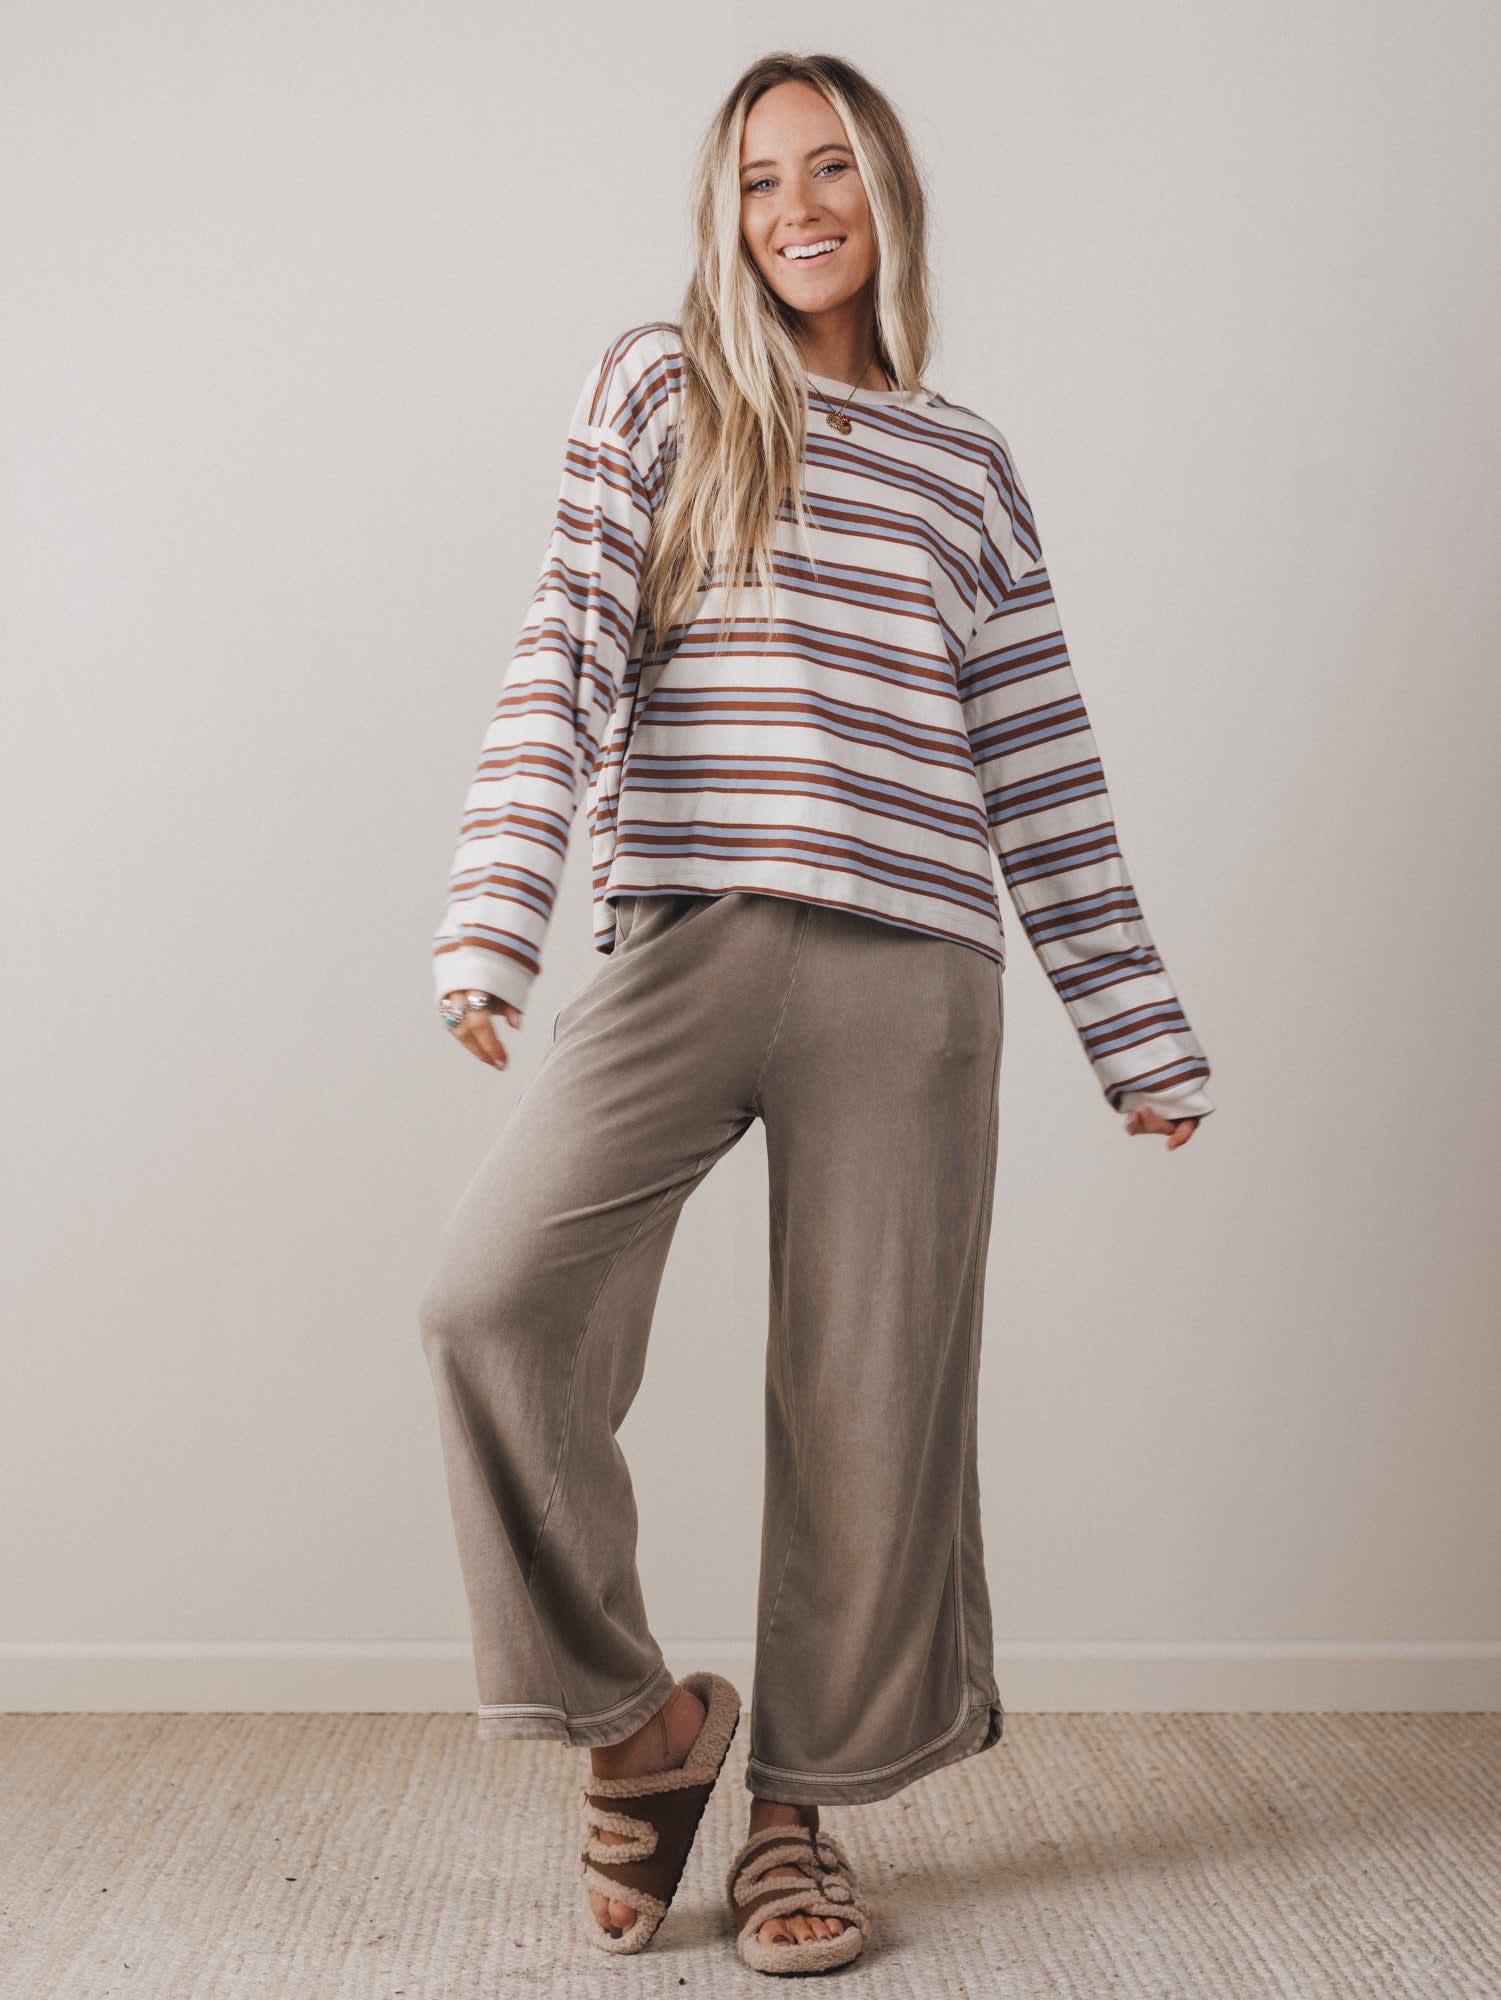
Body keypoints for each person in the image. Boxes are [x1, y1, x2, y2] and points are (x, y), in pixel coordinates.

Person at [418, 48, 1214, 1978]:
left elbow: (1041, 763)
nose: (798, 206)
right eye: (762, 176)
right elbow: (565, 644)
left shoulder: (967, 465)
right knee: (488, 1303)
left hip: (913, 966)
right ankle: (643, 1731)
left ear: (887, 196)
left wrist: (1134, 1028)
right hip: (685, 936)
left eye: (831, 167)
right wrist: (494, 913)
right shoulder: (663, 388)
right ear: (726, 211)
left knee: (870, 1414)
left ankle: (799, 1815)